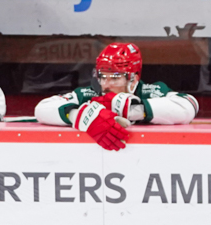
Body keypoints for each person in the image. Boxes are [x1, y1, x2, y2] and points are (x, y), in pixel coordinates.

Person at [34, 43, 199, 151]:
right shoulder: (89, 95)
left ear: (133, 78)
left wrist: (133, 110)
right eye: (103, 77)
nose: (106, 84)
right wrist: (79, 115)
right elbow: (41, 109)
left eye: (115, 78)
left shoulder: (149, 91)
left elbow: (189, 105)